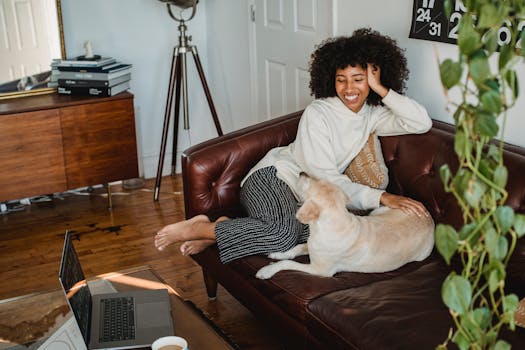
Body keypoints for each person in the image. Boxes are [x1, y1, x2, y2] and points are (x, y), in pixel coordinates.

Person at [154, 28, 432, 263]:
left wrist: (381, 89)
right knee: (282, 234)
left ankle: (219, 228)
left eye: (359, 80)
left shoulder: (372, 115)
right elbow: (326, 179)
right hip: (275, 178)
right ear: (329, 79)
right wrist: (382, 198)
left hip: (308, 196)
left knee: (325, 233)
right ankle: (201, 228)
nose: (349, 89)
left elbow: (420, 123)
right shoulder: (319, 112)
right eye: (341, 79)